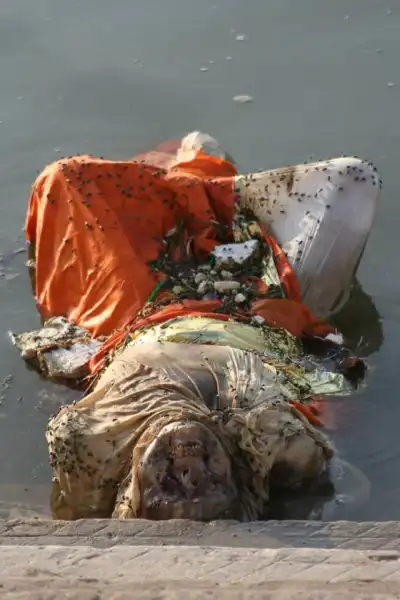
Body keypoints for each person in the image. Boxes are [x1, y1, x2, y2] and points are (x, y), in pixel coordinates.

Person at [24, 132, 380, 520]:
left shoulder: (98, 445)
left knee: (65, 177)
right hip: (256, 314)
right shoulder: (271, 440)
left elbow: (71, 463)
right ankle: (203, 175)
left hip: (139, 316)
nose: (189, 471)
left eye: (170, 484)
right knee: (352, 178)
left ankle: (185, 173)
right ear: (238, 484)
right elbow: (334, 474)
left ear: (134, 492)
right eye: (208, 482)